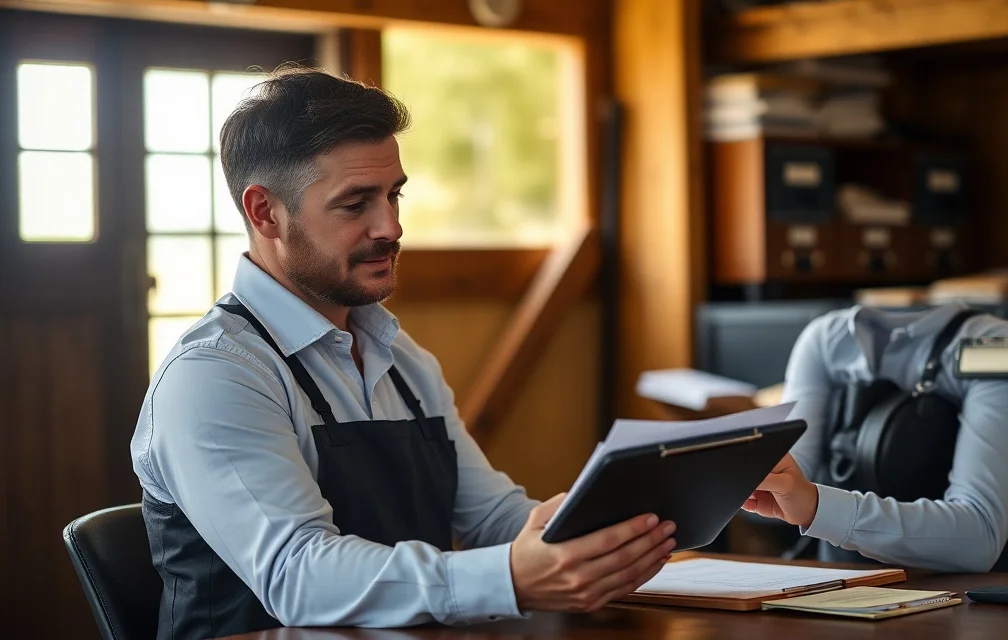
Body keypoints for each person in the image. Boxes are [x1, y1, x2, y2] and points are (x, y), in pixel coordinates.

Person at [129, 66, 676, 640]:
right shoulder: (214, 375)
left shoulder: (402, 359)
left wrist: (600, 536)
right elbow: (296, 576)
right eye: (355, 204)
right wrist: (509, 577)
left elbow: (494, 519)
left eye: (394, 195)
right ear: (265, 212)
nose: (390, 227)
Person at [741, 302, 1008, 574]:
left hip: (980, 601)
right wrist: (743, 477)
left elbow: (979, 537)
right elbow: (788, 476)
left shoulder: (1003, 348)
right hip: (848, 592)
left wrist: (816, 506)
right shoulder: (825, 341)